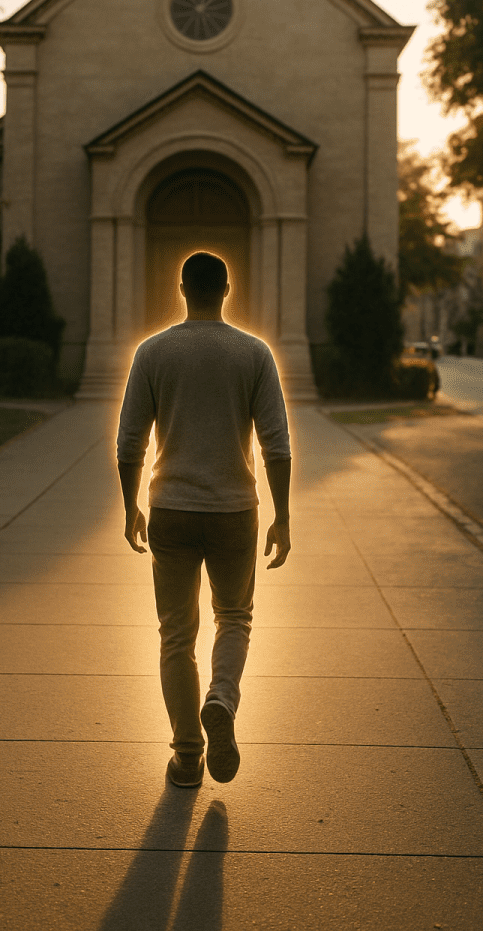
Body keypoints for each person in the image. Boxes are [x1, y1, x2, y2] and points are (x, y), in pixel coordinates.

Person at [117, 251, 292, 788]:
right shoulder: (254, 353)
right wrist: (283, 515)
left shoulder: (152, 352)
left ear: (182, 289)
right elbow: (277, 446)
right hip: (234, 511)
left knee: (175, 635)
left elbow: (129, 443)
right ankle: (222, 697)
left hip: (170, 508)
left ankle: (188, 756)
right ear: (227, 290)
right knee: (234, 618)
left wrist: (131, 507)